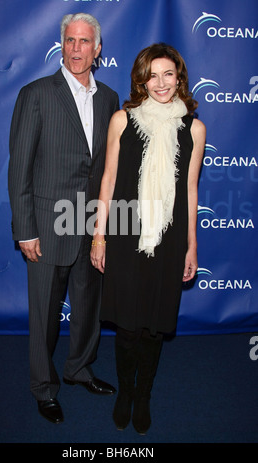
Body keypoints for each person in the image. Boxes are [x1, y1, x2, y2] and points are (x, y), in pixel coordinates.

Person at [8, 13, 119, 424]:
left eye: (84, 41)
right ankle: (43, 386)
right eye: (69, 41)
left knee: (89, 304)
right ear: (61, 45)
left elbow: (105, 167)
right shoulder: (36, 93)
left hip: (90, 224)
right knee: (44, 312)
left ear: (97, 49)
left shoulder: (109, 98)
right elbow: (19, 167)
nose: (76, 48)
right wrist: (25, 228)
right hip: (47, 225)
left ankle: (78, 368)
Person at [90, 43, 206, 435]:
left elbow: (190, 190)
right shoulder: (123, 120)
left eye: (168, 74)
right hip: (124, 234)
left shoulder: (194, 128)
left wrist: (190, 245)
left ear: (179, 78)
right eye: (152, 75)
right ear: (141, 79)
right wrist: (99, 236)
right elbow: (107, 180)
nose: (160, 83)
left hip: (169, 238)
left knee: (153, 326)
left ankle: (144, 396)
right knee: (126, 326)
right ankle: (125, 392)